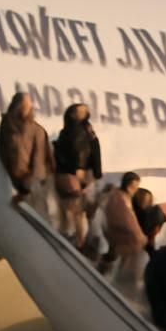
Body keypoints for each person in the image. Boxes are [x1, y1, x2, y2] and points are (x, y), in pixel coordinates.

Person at [52, 104, 102, 249]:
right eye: (80, 110)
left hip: (79, 173)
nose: (85, 112)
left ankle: (80, 239)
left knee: (78, 209)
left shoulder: (81, 130)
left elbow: (85, 151)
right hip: (79, 173)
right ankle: (82, 240)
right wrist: (82, 170)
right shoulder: (79, 130)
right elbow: (81, 151)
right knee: (78, 209)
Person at [0, 92, 55, 213]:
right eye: (23, 105)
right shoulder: (6, 126)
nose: (26, 109)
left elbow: (39, 162)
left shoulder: (37, 131)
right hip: (10, 183)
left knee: (34, 217)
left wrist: (27, 186)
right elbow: (2, 150)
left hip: (30, 186)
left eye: (28, 106)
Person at [101, 171, 146, 283]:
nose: (135, 189)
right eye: (133, 186)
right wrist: (140, 236)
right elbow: (126, 220)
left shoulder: (122, 196)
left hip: (121, 234)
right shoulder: (119, 197)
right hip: (121, 235)